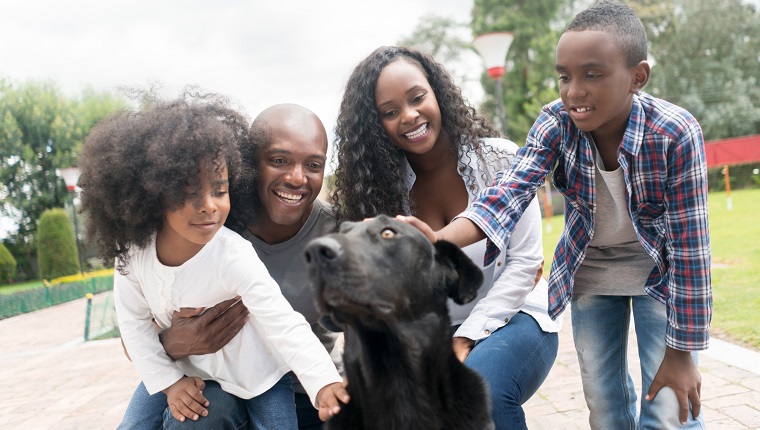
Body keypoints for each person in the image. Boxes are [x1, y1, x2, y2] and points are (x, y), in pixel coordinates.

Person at [400, 2, 712, 429]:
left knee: (668, 408)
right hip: (592, 273)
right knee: (605, 408)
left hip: (661, 273)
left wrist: (682, 353)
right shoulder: (556, 121)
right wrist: (439, 240)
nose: (573, 92)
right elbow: (507, 195)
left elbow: (692, 253)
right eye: (564, 76)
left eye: (593, 74)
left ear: (637, 77)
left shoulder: (676, 133)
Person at [78, 95, 347, 430]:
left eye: (219, 191)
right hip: (189, 371)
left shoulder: (231, 251)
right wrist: (171, 376)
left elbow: (284, 322)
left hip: (266, 378)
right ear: (151, 193)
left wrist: (324, 382)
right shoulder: (136, 255)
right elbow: (133, 330)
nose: (208, 206)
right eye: (279, 159)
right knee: (152, 422)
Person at [331, 45, 562, 430]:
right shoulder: (382, 196)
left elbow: (525, 264)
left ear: (437, 92)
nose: (409, 116)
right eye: (390, 112)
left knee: (482, 391)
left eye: (417, 98)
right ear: (377, 126)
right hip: (435, 333)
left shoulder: (501, 160)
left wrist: (466, 338)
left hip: (517, 317)